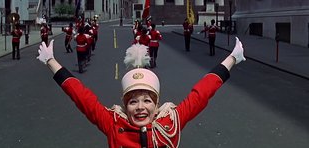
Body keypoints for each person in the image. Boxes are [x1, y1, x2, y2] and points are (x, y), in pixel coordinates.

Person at [36, 37, 246, 147]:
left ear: (156, 104)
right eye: (133, 102)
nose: (140, 107)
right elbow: (81, 96)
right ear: (125, 105)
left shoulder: (170, 123)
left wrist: (232, 59)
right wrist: (51, 61)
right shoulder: (112, 123)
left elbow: (201, 94)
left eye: (147, 100)